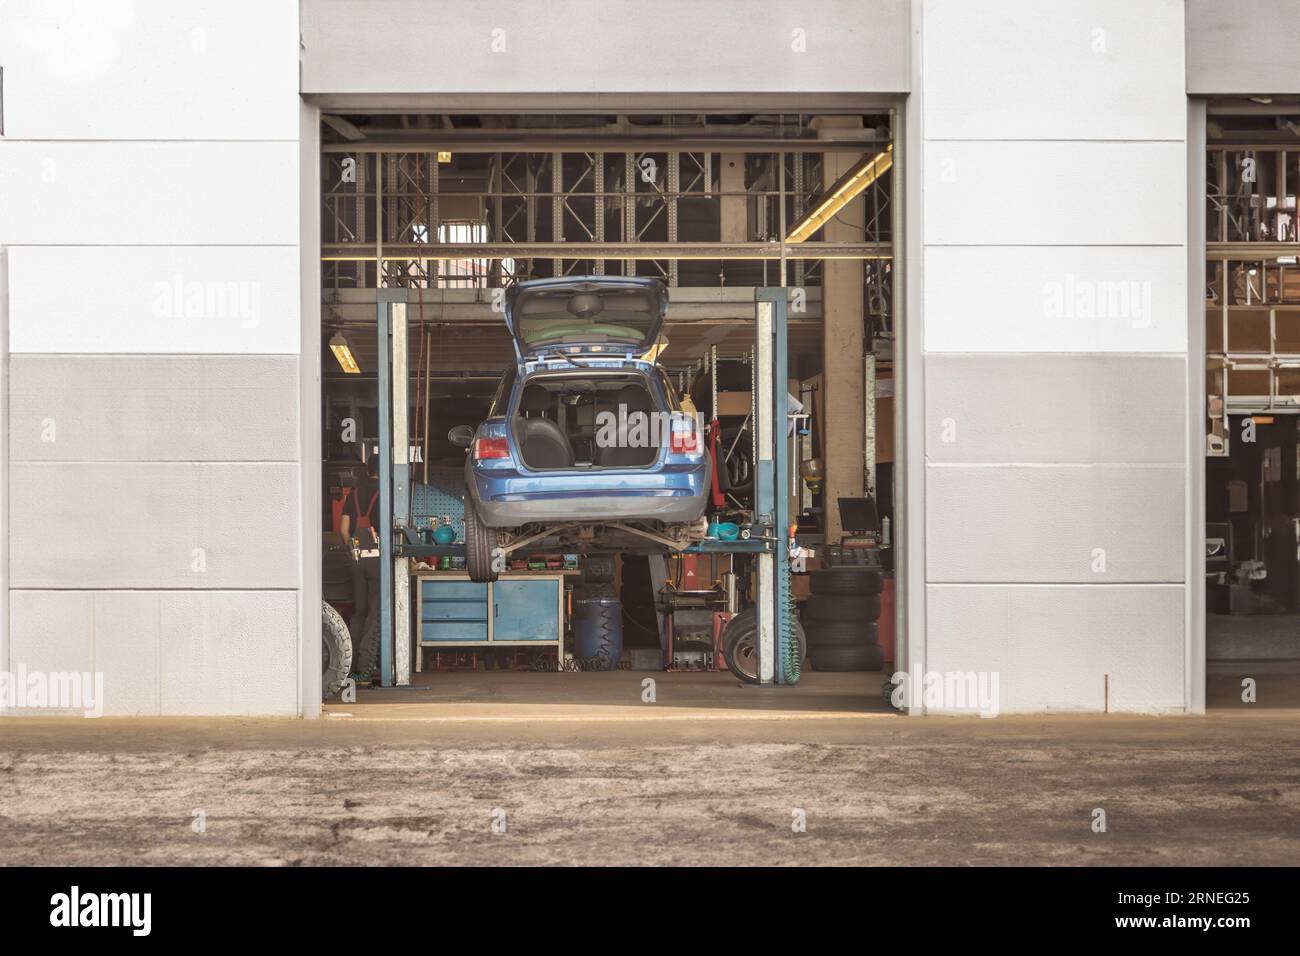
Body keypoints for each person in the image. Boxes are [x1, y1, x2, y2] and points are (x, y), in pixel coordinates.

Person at [341, 458, 382, 681]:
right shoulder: (386, 492)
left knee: (359, 613)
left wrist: (353, 550)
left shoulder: (353, 494)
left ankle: (349, 664)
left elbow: (344, 530)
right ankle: (365, 668)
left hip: (356, 558)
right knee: (374, 614)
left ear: (368, 470)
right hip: (377, 559)